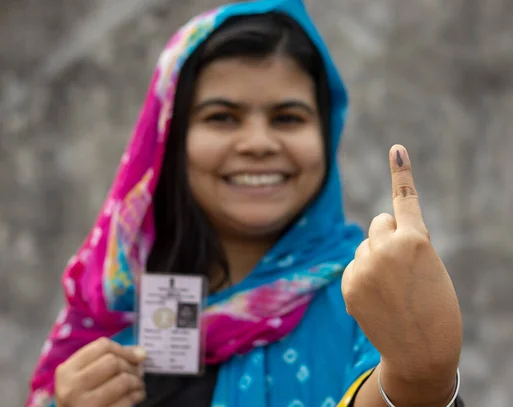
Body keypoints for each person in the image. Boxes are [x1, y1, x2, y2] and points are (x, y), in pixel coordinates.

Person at [26, 0, 464, 406]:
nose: (258, 143)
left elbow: (396, 390)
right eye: (222, 117)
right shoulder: (113, 302)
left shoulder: (369, 291)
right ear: (170, 139)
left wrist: (420, 378)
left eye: (288, 118)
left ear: (325, 136)